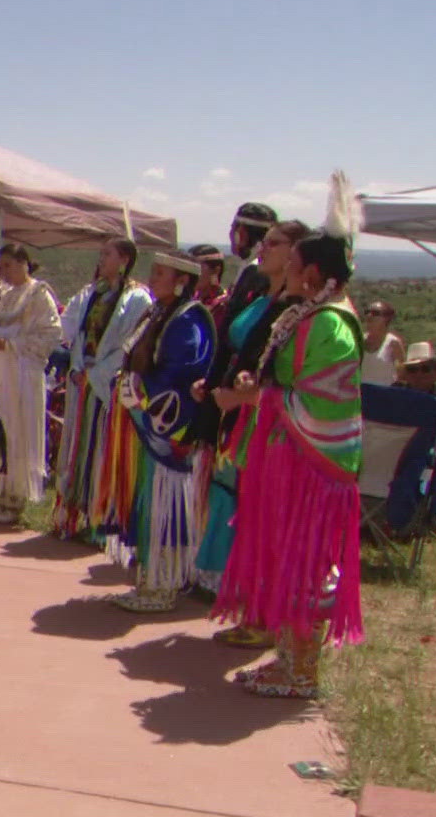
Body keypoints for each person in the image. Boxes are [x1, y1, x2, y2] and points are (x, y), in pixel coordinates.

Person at [215, 174, 366, 699]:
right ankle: (286, 659)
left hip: (311, 462)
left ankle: (302, 671)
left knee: (305, 561)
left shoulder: (330, 326)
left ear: (316, 272)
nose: (290, 271)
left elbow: (321, 400)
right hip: (289, 457)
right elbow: (289, 383)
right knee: (287, 555)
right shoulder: (310, 315)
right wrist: (258, 388)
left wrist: (256, 397)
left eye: (297, 264)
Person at [192, 219, 308, 647]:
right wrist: (219, 385)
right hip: (241, 419)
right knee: (242, 509)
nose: (264, 247)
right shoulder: (264, 297)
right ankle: (248, 605)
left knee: (261, 514)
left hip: (269, 424)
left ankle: (266, 616)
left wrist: (242, 398)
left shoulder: (298, 309)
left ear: (297, 253)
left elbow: (287, 378)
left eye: (275, 243)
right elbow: (241, 351)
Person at [106, 253, 215, 612]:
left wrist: (141, 387)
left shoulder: (188, 320)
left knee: (165, 504)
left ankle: (164, 585)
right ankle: (149, 580)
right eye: (152, 271)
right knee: (149, 501)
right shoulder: (158, 313)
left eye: (160, 273)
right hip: (145, 423)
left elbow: (183, 370)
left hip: (168, 429)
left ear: (182, 281)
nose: (152, 278)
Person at [49, 238, 153, 542]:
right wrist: (78, 366)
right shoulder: (90, 293)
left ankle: (99, 521)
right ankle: (69, 515)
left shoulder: (137, 300)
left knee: (101, 449)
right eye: (101, 253)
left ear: (124, 260)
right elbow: (70, 331)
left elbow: (130, 345)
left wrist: (96, 374)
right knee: (75, 447)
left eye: (107, 254)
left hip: (108, 386)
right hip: (82, 383)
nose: (101, 258)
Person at [0, 243, 62, 524]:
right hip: (5, 374)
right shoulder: (5, 295)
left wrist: (12, 345)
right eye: (1, 266)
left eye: (9, 266)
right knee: (3, 431)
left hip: (25, 375)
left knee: (20, 434)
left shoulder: (39, 295)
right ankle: (3, 496)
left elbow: (51, 333)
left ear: (24, 263)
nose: (4, 272)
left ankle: (16, 500)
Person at [358, 300, 405, 387]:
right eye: (367, 312)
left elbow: (402, 374)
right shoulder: (359, 341)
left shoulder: (393, 343)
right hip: (362, 394)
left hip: (384, 394)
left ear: (386, 318)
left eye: (375, 313)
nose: (369, 316)